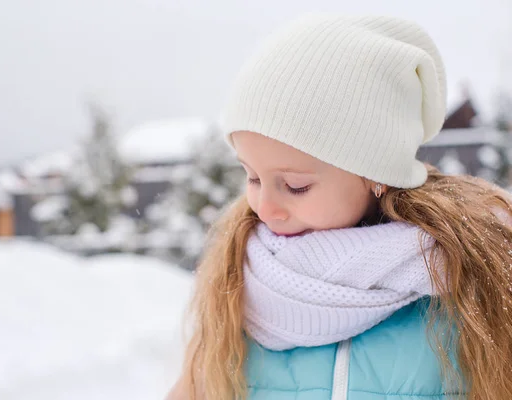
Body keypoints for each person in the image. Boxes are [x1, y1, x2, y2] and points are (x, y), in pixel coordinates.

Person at [166, 13, 512, 400]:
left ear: (375, 172)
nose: (265, 208)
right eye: (252, 177)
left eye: (295, 186)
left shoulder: (470, 282)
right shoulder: (239, 284)